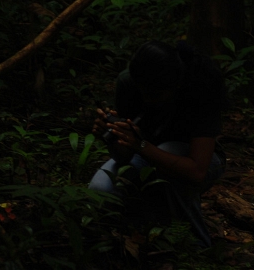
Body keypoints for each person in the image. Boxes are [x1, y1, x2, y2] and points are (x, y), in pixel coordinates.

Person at [89, 40, 228, 247]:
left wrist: (141, 146)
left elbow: (197, 170)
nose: (147, 100)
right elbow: (124, 157)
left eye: (154, 94)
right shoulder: (128, 82)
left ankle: (195, 247)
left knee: (167, 159)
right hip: (145, 154)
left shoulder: (201, 85)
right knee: (100, 188)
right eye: (142, 92)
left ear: (176, 85)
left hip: (195, 161)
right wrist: (112, 135)